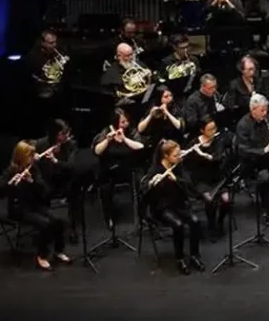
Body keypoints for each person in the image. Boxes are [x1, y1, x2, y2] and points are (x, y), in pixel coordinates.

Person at [0, 141, 71, 270]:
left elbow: (45, 192)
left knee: (57, 221)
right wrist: (10, 184)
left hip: (33, 206)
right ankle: (42, 256)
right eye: (30, 155)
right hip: (18, 209)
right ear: (22, 156)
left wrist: (32, 181)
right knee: (45, 224)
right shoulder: (11, 170)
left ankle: (58, 251)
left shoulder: (33, 169)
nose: (33, 157)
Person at [141, 139, 206, 274]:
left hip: (179, 204)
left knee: (195, 221)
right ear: (166, 156)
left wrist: (176, 179)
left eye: (179, 154)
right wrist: (152, 183)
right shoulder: (156, 168)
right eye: (176, 155)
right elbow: (144, 188)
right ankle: (179, 259)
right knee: (178, 225)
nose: (179, 157)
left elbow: (189, 184)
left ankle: (194, 255)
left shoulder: (178, 166)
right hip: (162, 208)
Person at [91, 109, 145, 233]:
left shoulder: (131, 131)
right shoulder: (106, 131)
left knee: (140, 182)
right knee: (105, 188)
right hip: (110, 169)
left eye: (126, 121)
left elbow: (140, 146)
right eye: (122, 122)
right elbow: (97, 151)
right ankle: (109, 217)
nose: (125, 124)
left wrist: (124, 139)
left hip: (129, 168)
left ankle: (140, 216)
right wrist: (108, 140)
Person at [180, 117, 232, 239]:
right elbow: (187, 164)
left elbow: (217, 159)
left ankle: (220, 222)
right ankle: (211, 226)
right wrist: (184, 155)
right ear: (202, 130)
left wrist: (202, 154)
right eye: (209, 130)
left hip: (216, 178)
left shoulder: (218, 141)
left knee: (227, 200)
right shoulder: (194, 143)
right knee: (210, 200)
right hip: (200, 179)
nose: (213, 132)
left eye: (214, 128)